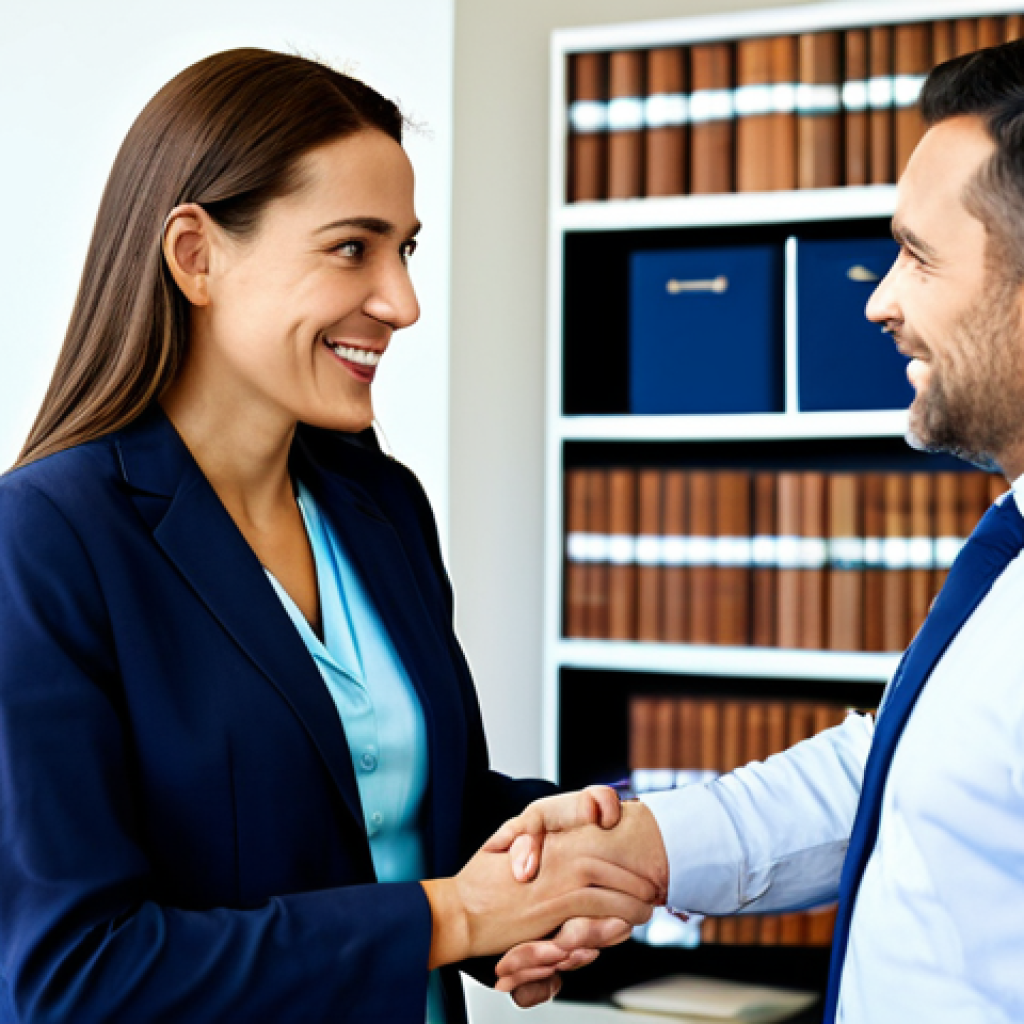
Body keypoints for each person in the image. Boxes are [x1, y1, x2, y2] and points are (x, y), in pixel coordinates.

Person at [0, 48, 659, 1024]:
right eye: (353, 247)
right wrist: (450, 916)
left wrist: (567, 860)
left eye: (406, 250)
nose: (401, 302)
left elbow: (413, 804)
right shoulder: (46, 540)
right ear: (196, 255)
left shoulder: (379, 504)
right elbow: (71, 977)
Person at [491, 40, 1024, 1023]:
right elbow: (907, 767)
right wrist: (646, 846)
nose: (877, 300)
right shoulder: (1011, 539)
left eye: (918, 255)